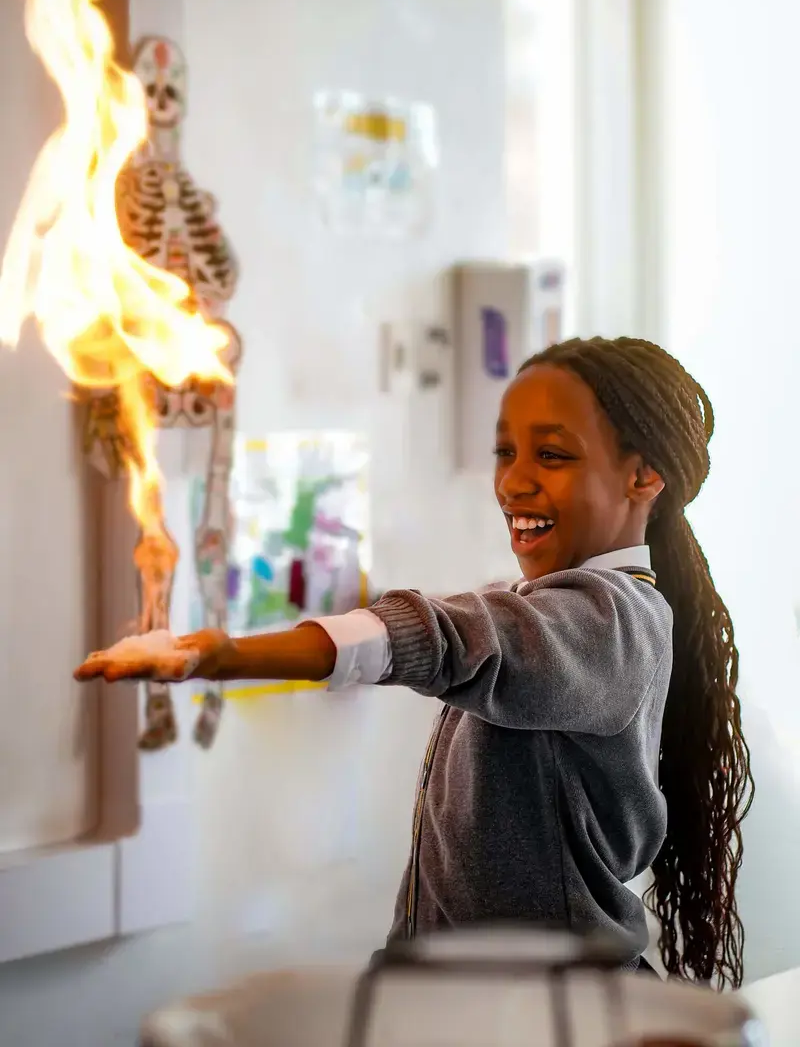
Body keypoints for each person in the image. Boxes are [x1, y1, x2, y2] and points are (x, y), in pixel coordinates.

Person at [75, 336, 753, 987]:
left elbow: (450, 639)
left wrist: (223, 657)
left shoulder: (611, 623)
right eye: (504, 451)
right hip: (467, 1003)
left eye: (551, 455)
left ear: (643, 476)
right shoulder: (539, 605)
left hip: (548, 1014)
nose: (513, 482)